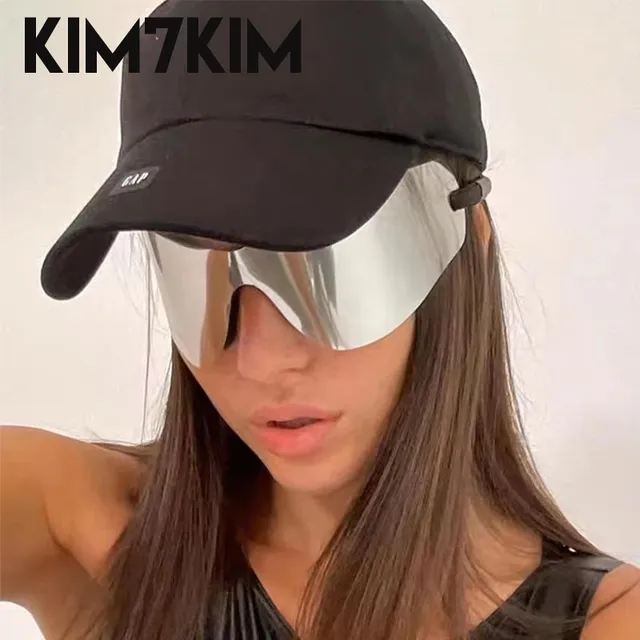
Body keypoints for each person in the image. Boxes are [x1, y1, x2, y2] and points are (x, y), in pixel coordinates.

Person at [1, 1, 638, 639]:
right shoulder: (92, 533)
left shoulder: (612, 622)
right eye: (199, 274)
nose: (262, 360)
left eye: (323, 271)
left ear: (467, 237)